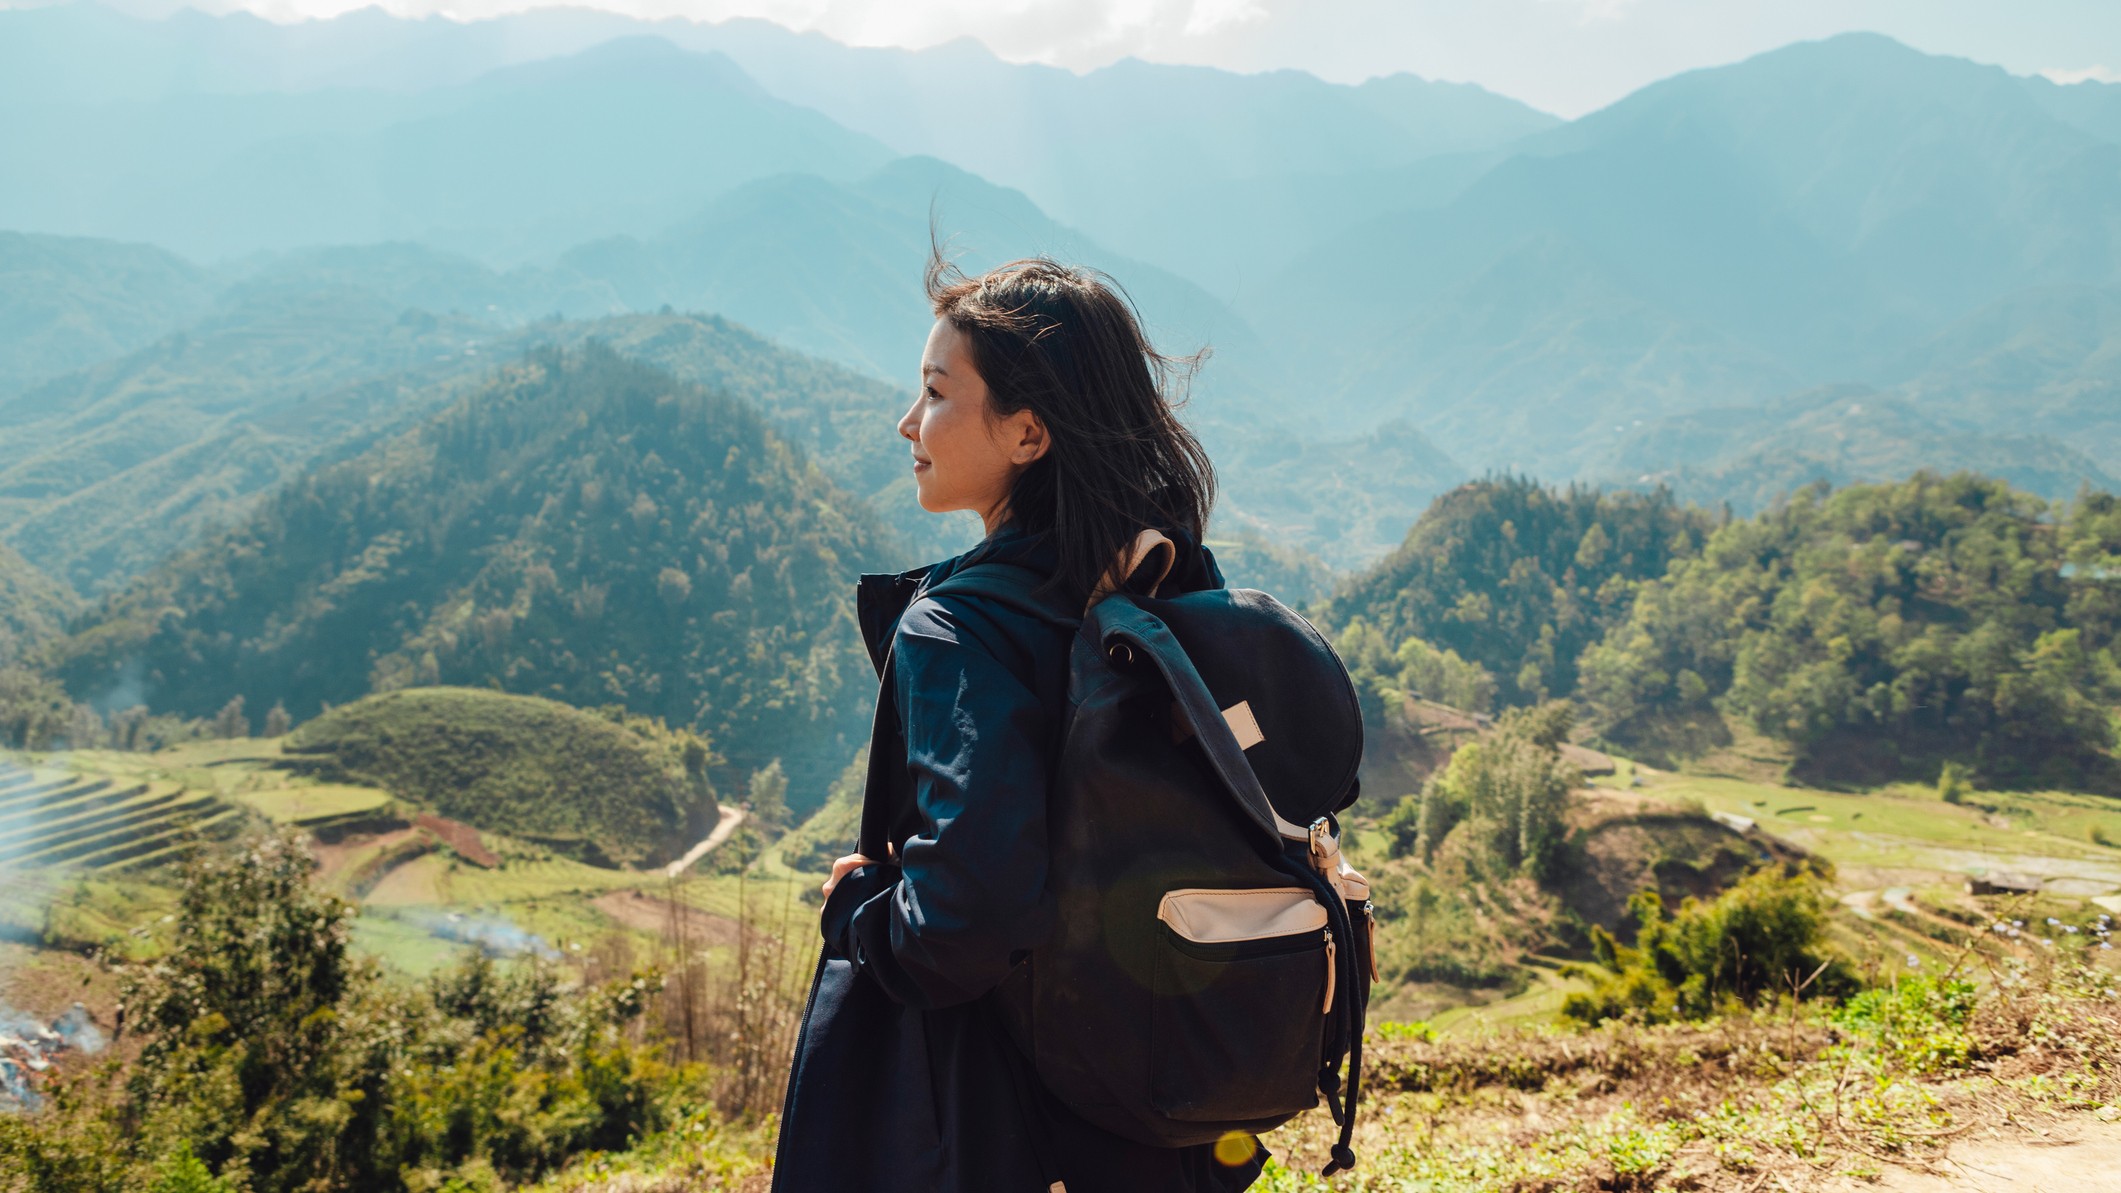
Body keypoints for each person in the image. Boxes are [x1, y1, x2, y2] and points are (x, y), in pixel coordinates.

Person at [772, 254, 1263, 1193]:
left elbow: (967, 918)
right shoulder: (1175, 592)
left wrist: (863, 911)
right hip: (1159, 1099)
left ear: (1029, 432)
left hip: (996, 1118)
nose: (907, 422)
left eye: (934, 393)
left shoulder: (960, 629)